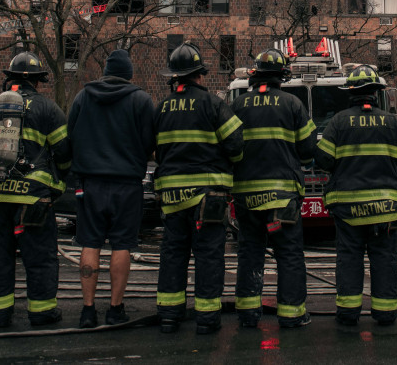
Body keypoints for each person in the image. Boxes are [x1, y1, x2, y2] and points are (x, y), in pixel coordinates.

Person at [0, 51, 71, 328]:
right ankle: (41, 312)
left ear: (9, 78)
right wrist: (57, 184)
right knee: (39, 257)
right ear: (37, 81)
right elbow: (63, 153)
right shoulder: (48, 109)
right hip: (33, 198)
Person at [315, 65, 397, 327]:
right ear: (376, 93)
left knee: (349, 257)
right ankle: (385, 313)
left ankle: (348, 314)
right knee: (384, 257)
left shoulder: (338, 122)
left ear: (351, 93)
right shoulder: (392, 122)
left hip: (348, 208)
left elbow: (324, 160)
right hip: (386, 209)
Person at [153, 43, 243, 335]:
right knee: (208, 255)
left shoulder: (162, 107)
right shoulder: (214, 104)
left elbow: (152, 149)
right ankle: (206, 318)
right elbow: (235, 145)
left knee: (173, 254)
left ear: (174, 77)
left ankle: (169, 315)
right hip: (208, 197)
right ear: (199, 75)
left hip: (171, 197)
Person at [67, 49, 156, 329]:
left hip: (89, 183)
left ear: (106, 72)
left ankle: (87, 310)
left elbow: (70, 135)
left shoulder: (83, 97)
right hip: (127, 184)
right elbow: (148, 144)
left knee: (90, 243)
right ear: (129, 74)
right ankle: (115, 308)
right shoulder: (141, 100)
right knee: (122, 245)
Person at [231, 49, 317, 329]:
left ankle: (247, 314)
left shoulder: (238, 106)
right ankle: (292, 315)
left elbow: (229, 149)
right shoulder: (293, 104)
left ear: (255, 76)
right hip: (283, 200)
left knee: (250, 252)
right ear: (283, 77)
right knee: (289, 254)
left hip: (247, 199)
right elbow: (307, 151)